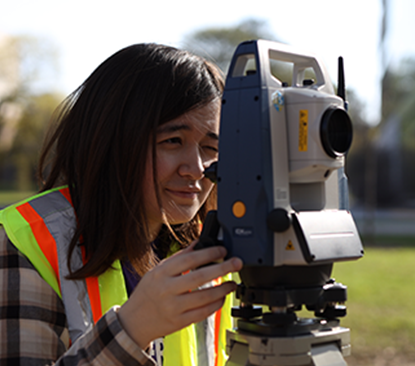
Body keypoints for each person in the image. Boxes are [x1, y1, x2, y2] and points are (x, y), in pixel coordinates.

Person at [0, 43, 243, 366]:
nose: (196, 168)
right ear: (113, 141)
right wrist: (132, 329)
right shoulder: (27, 241)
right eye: (172, 141)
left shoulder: (205, 250)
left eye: (210, 148)